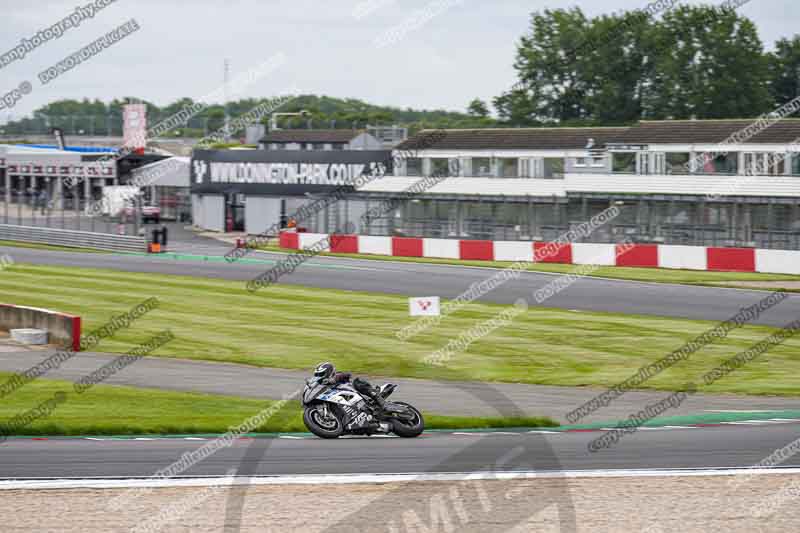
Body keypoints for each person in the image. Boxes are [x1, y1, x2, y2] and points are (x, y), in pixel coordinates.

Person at [313, 362, 385, 408]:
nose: (319, 377)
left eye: (321, 374)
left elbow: (349, 375)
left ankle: (377, 396)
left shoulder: (338, 375)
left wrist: (337, 379)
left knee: (357, 382)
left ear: (329, 372)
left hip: (355, 393)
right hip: (346, 401)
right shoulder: (324, 385)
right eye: (317, 375)